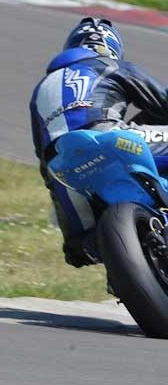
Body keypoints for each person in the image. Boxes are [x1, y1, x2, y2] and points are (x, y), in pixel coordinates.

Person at [30, 17, 168, 267]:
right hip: (110, 137)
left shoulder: (41, 90)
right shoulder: (110, 65)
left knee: (80, 247)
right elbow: (164, 103)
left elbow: (42, 154)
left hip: (63, 166)